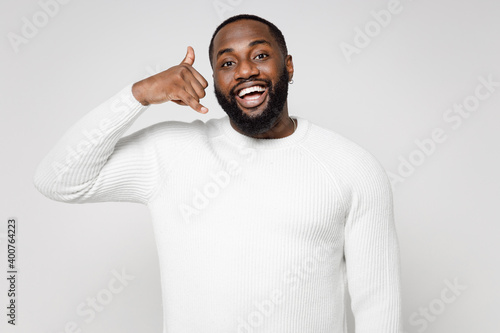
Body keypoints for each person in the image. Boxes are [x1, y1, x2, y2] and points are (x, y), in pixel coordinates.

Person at [34, 14, 402, 333]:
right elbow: (58, 179)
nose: (245, 71)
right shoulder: (173, 152)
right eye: (227, 63)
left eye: (260, 55)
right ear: (213, 79)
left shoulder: (351, 167)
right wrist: (138, 96)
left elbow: (378, 308)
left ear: (288, 66)